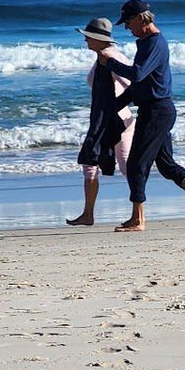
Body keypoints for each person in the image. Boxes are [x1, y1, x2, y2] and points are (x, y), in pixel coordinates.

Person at [107, 0, 185, 232]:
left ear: (139, 19)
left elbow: (137, 74)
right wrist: (115, 104)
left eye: (128, 22)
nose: (127, 28)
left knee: (136, 163)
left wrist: (111, 63)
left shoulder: (154, 43)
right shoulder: (145, 44)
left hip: (158, 111)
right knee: (166, 166)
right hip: (155, 110)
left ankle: (138, 220)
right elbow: (140, 86)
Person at [68, 16, 136, 226]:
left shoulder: (110, 57)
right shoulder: (102, 57)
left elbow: (134, 83)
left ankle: (138, 214)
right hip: (100, 120)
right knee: (90, 162)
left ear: (98, 39)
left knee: (125, 166)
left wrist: (116, 105)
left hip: (118, 121)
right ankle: (88, 214)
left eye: (88, 37)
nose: (85, 41)